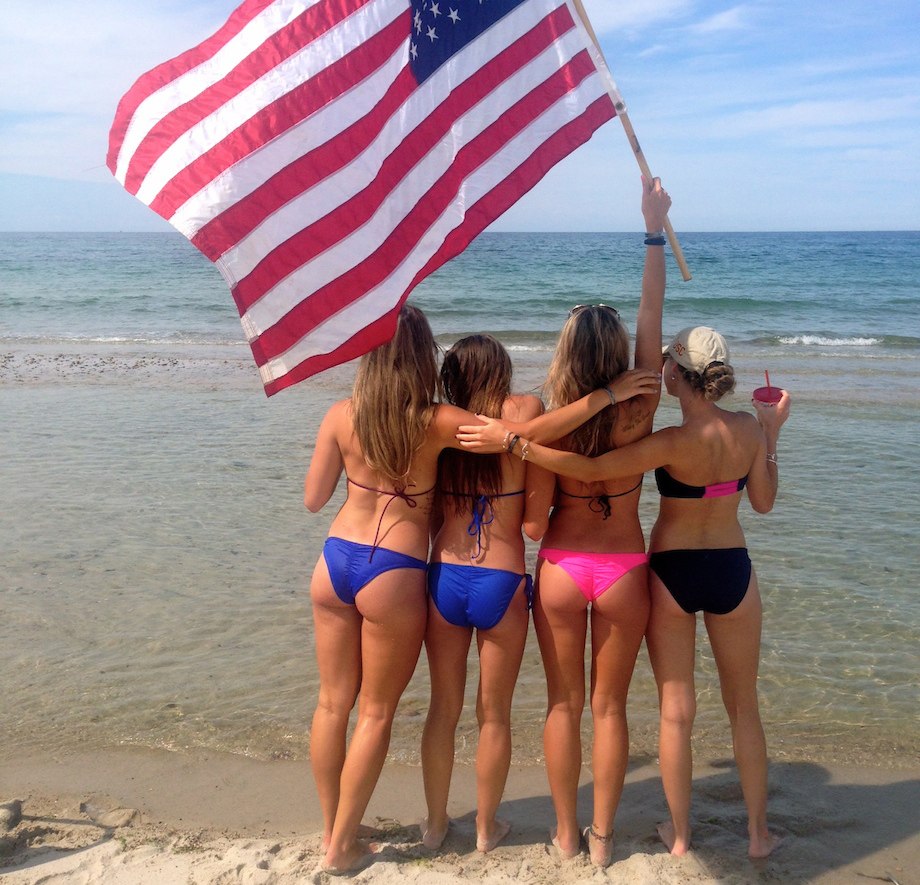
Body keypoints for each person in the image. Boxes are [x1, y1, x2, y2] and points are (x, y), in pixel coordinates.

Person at [304, 304, 659, 873]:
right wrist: (607, 397)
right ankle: (488, 826)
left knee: (373, 706)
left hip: (366, 563)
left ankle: (404, 823)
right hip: (481, 577)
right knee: (486, 714)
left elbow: (313, 498)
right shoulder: (440, 422)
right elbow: (526, 479)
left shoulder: (345, 415)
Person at [457, 325, 791, 860]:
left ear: (677, 376)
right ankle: (732, 835)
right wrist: (772, 433)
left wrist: (519, 444)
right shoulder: (715, 428)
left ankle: (634, 836)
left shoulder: (654, 441)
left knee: (621, 707)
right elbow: (765, 502)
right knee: (719, 708)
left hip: (625, 570)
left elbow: (568, 494)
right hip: (696, 567)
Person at [451, 177, 667, 867]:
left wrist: (524, 453)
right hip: (627, 569)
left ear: (568, 356)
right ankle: (604, 841)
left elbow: (538, 524)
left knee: (563, 706)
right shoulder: (639, 408)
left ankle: (566, 834)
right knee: (609, 709)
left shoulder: (549, 428)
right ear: (621, 355)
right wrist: (654, 232)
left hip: (564, 573)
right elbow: (653, 312)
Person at [420, 334, 542, 854]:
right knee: (494, 714)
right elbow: (534, 526)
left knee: (442, 709)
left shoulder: (439, 425)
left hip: (445, 577)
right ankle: (488, 829)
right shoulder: (524, 411)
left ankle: (434, 824)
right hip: (502, 579)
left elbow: (427, 517)